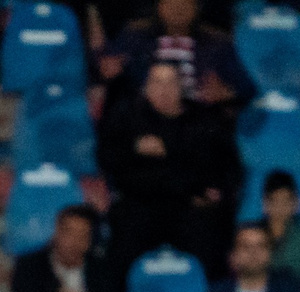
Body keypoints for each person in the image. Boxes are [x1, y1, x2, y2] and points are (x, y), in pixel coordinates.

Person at [97, 61, 236, 277]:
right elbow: (107, 156)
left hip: (189, 206)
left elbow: (221, 163)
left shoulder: (204, 119)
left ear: (182, 87)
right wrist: (134, 147)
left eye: (171, 83)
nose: (164, 90)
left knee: (210, 240)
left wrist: (169, 152)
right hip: (140, 204)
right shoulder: (128, 114)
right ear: (146, 87)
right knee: (122, 247)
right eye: (157, 82)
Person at [100, 0, 255, 112]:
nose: (177, 8)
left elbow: (247, 85)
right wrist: (108, 70)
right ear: (159, 6)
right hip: (141, 117)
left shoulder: (218, 44)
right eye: (171, 3)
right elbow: (102, 65)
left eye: (185, 3)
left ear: (197, 8)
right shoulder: (134, 37)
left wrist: (227, 92)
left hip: (200, 118)